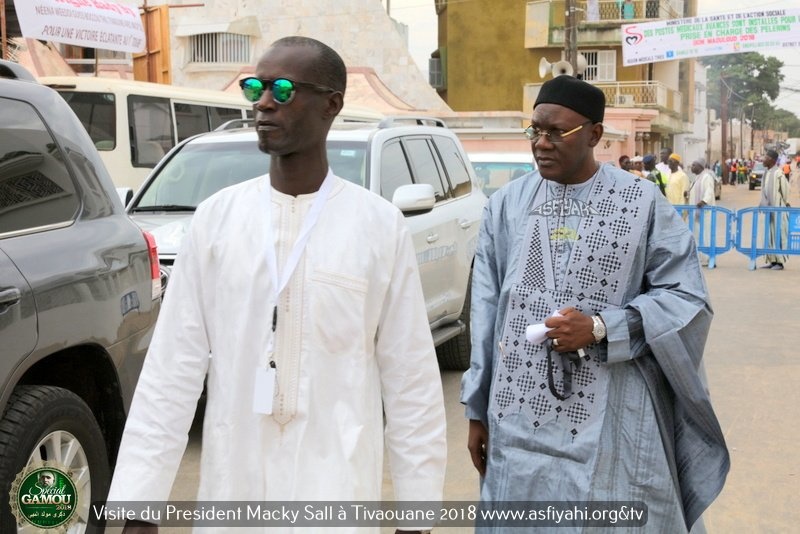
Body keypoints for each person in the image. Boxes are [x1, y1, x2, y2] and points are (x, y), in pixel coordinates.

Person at [107, 36, 447, 533]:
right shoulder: (218, 219)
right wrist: (140, 504)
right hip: (235, 485)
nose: (263, 103)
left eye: (283, 89)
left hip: (337, 486)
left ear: (332, 104)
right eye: (256, 88)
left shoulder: (377, 226)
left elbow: (410, 378)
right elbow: (171, 370)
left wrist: (417, 517)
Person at [461, 74, 728, 532]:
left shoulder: (640, 202)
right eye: (535, 131)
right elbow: (487, 312)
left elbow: (686, 297)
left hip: (611, 414)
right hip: (518, 416)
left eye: (556, 132)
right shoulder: (506, 205)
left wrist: (603, 327)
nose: (541, 144)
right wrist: (476, 408)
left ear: (594, 134)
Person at [759, 149, 790, 270]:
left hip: (778, 209)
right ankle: (772, 260)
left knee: (778, 234)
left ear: (771, 160)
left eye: (765, 157)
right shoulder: (766, 173)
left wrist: (784, 203)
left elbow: (785, 190)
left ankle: (779, 262)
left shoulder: (778, 173)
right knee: (769, 234)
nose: (763, 159)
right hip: (768, 209)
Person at [689, 158, 716, 266]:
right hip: (696, 212)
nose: (692, 167)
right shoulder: (697, 178)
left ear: (700, 166)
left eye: (694, 165)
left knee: (706, 234)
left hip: (705, 211)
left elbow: (709, 191)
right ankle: (700, 258)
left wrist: (704, 201)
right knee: (697, 234)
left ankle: (709, 258)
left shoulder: (707, 176)